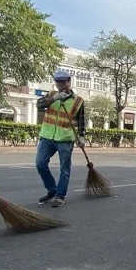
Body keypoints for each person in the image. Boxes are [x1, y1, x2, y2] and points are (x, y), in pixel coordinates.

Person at [35, 70, 85, 208]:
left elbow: (81, 122)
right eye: (57, 82)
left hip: (65, 139)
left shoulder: (78, 101)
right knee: (40, 164)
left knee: (65, 169)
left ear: (69, 82)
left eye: (63, 82)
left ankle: (60, 195)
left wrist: (81, 137)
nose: (60, 85)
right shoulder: (51, 95)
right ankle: (52, 191)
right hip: (47, 137)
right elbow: (39, 105)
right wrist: (55, 99)